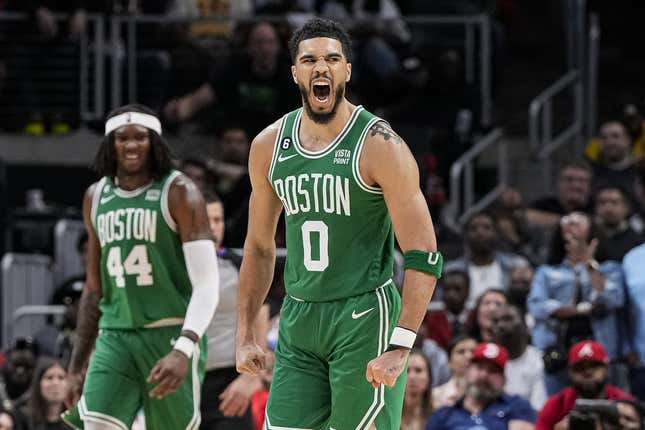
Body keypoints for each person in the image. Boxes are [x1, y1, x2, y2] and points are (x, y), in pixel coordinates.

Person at [235, 18, 442, 430]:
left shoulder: (380, 145)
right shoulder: (269, 146)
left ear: (347, 70)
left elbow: (424, 254)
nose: (321, 68)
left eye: (332, 58)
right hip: (298, 315)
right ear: (295, 72)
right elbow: (259, 247)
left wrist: (401, 344)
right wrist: (245, 333)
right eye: (309, 59)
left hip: (364, 313)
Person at [62, 104, 220, 430]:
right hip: (115, 333)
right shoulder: (96, 196)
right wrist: (76, 367)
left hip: (169, 333)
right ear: (111, 144)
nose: (131, 145)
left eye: (141, 138)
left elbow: (207, 285)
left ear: (155, 143)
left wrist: (184, 347)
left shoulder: (180, 192)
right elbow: (94, 288)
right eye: (122, 138)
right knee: (97, 424)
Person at [528, 212, 624, 395]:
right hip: (558, 352)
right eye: (566, 222)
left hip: (601, 350)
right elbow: (538, 306)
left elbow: (608, 300)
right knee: (559, 407)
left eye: (577, 222)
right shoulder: (546, 272)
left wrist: (589, 264)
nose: (571, 225)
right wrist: (583, 309)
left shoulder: (609, 269)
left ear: (591, 229)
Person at [201, 191, 269, 430]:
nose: (212, 226)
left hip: (228, 384)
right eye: (205, 219)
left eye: (218, 220)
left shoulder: (238, 265)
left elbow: (260, 318)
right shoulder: (170, 268)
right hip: (181, 383)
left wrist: (253, 376)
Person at [426, 342, 536, 430]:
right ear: (467, 370)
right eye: (479, 368)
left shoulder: (517, 407)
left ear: (503, 379)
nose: (484, 375)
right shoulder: (444, 415)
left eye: (492, 371)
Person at [535, 340, 633, 430]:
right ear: (570, 372)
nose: (587, 372)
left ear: (606, 369)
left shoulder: (624, 403)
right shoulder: (556, 405)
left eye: (594, 365)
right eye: (579, 367)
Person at [448, 211, 530, 308]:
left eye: (487, 228)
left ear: (496, 233)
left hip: (504, 319)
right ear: (465, 235)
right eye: (474, 228)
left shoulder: (516, 265)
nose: (480, 232)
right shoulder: (451, 270)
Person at [492, 304, 547, 410]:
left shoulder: (539, 361)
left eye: (507, 319)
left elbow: (538, 409)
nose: (500, 325)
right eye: (495, 321)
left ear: (525, 324)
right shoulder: (486, 363)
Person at [21, 358, 67, 430]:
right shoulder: (22, 419)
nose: (55, 383)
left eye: (61, 378)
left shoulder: (77, 422)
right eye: (49, 378)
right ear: (38, 384)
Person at [432, 335, 477, 409]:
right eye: (461, 352)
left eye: (473, 351)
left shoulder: (489, 393)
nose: (469, 356)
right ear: (449, 362)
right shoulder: (436, 395)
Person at [401, 350, 434, 430]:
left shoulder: (439, 415)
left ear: (429, 377)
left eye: (418, 370)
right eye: (407, 371)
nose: (412, 376)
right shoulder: (387, 416)